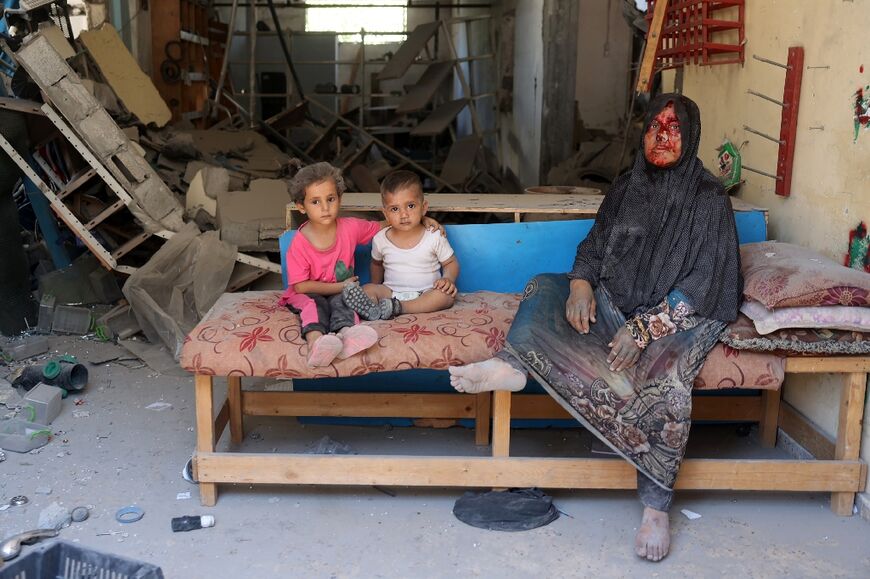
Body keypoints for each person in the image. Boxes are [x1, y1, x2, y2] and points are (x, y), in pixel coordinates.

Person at [448, 93, 742, 562]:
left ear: (692, 138)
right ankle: (514, 365)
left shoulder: (708, 199)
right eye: (654, 126)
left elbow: (706, 285)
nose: (662, 135)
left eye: (674, 128)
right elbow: (594, 243)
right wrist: (582, 284)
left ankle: (655, 505)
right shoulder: (628, 185)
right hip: (612, 303)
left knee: (666, 381)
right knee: (546, 286)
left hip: (677, 317)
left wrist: (644, 330)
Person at [279, 163, 443, 367]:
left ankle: (347, 337)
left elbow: (387, 223)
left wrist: (422, 219)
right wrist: (341, 286)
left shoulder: (350, 227)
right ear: (301, 206)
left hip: (341, 291)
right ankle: (316, 343)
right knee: (315, 306)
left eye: (330, 199)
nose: (325, 208)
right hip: (307, 293)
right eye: (315, 202)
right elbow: (301, 286)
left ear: (339, 198)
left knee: (347, 302)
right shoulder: (300, 243)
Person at [342, 171, 459, 320]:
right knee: (367, 289)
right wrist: (376, 287)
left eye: (410, 206)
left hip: (426, 292)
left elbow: (451, 262)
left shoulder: (433, 235)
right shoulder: (380, 239)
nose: (404, 215)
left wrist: (448, 279)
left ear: (423, 208)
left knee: (445, 296)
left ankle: (400, 308)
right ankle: (374, 309)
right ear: (385, 214)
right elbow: (376, 264)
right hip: (391, 292)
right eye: (395, 209)